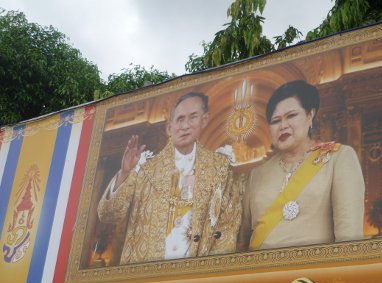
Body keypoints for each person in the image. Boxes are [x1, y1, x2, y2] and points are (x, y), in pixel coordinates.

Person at [98, 92, 242, 264]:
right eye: (180, 119)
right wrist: (124, 173)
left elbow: (227, 227)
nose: (185, 126)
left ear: (204, 120)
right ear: (169, 127)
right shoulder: (145, 169)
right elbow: (108, 215)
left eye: (193, 118)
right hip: (146, 277)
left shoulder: (219, 168)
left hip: (194, 280)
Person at [240, 80, 365, 250]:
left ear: (309, 116)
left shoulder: (338, 158)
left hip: (315, 274)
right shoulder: (257, 174)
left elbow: (349, 238)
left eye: (291, 116)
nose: (283, 126)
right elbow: (243, 239)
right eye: (276, 121)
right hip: (261, 274)